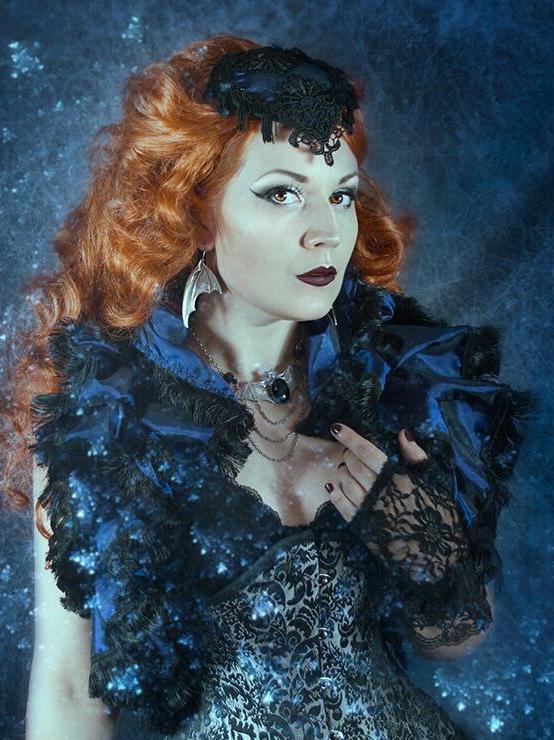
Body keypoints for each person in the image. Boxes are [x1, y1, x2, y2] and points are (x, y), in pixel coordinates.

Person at [3, 34, 531, 739]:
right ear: (193, 212)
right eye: (282, 193)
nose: (327, 232)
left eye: (340, 195)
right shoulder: (107, 420)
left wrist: (427, 554)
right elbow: (70, 693)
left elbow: (457, 638)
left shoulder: (398, 381)